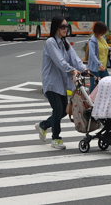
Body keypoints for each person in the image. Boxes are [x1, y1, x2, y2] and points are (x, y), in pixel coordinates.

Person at [36, 16, 85, 150]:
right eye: (63, 27)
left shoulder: (65, 42)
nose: (65, 29)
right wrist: (73, 70)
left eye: (66, 26)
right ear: (56, 28)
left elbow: (74, 58)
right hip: (51, 82)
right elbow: (60, 62)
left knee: (63, 111)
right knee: (57, 109)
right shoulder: (50, 42)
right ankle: (56, 138)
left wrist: (84, 69)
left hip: (61, 83)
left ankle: (44, 125)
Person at [86, 22, 111, 93]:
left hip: (103, 66)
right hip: (95, 67)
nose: (103, 34)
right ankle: (91, 101)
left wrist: (110, 48)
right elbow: (92, 54)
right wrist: (99, 64)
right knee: (93, 86)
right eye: (102, 32)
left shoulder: (103, 38)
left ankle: (102, 99)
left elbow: (105, 47)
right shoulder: (92, 40)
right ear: (98, 31)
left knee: (108, 83)